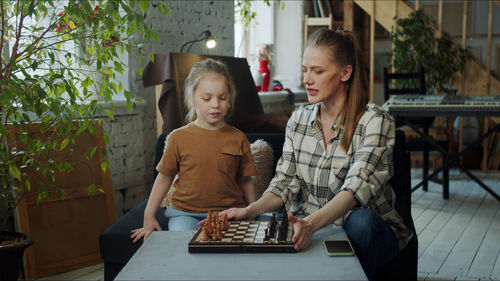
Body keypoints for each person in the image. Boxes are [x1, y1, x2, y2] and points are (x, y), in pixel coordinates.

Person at [222, 28, 413, 279]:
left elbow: (356, 189)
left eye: (318, 71)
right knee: (264, 226)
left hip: (363, 229)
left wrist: (311, 225)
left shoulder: (375, 121)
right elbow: (284, 183)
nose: (307, 80)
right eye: (305, 70)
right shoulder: (298, 120)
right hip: (308, 223)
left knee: (362, 222)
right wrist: (250, 210)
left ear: (345, 72)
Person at [131, 58, 256, 242]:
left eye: (222, 97)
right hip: (185, 214)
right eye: (207, 98)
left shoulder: (238, 138)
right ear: (192, 98)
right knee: (184, 247)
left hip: (229, 214)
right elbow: (164, 178)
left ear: (230, 97)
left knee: (233, 252)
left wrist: (252, 211)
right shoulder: (177, 138)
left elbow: (245, 180)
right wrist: (148, 216)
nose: (216, 104)